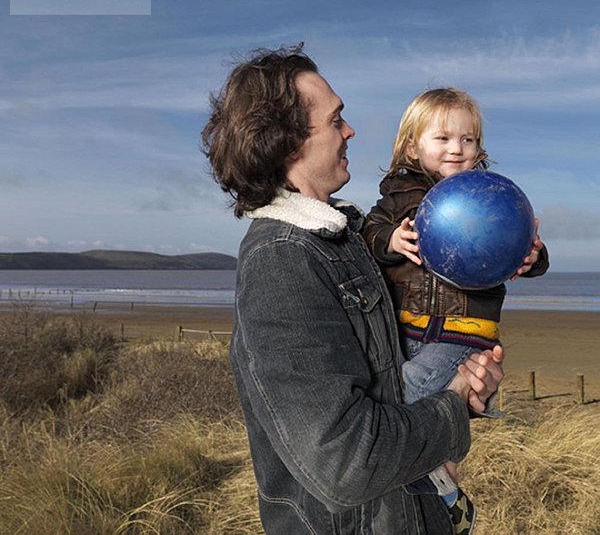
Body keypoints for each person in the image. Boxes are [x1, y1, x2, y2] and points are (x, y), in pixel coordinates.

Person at [202, 47, 505, 535]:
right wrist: (452, 408)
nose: (351, 131)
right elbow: (346, 463)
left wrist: (466, 390)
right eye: (336, 119)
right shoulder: (281, 261)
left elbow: (392, 378)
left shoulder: (345, 238)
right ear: (287, 141)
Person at [362, 87, 549, 530]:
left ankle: (437, 482)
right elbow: (369, 233)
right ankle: (443, 485)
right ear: (413, 145)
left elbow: (527, 245)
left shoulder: (489, 197)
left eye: (467, 140)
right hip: (409, 327)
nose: (456, 150)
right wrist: (390, 240)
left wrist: (531, 256)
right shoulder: (396, 198)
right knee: (422, 396)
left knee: (406, 392)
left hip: (465, 331)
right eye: (442, 138)